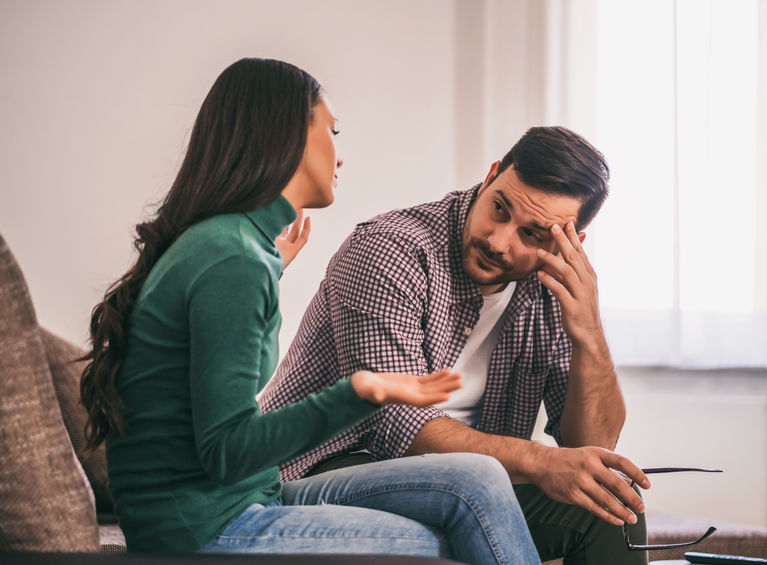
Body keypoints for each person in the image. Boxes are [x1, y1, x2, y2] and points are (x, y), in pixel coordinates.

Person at [78, 57, 542, 564]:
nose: (340, 157)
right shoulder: (231, 258)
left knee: (479, 478)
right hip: (204, 527)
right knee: (453, 543)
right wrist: (360, 392)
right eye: (333, 131)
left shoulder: (232, 248)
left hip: (241, 500)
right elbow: (229, 450)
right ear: (287, 136)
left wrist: (270, 271)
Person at [258, 125, 653, 565]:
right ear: (490, 176)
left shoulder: (550, 290)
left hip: (471, 488)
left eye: (533, 235)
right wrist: (539, 462)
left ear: (569, 244)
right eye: (499, 209)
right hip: (320, 472)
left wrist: (589, 332)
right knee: (473, 483)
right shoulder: (390, 250)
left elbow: (592, 446)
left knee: (613, 506)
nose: (499, 241)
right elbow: (397, 428)